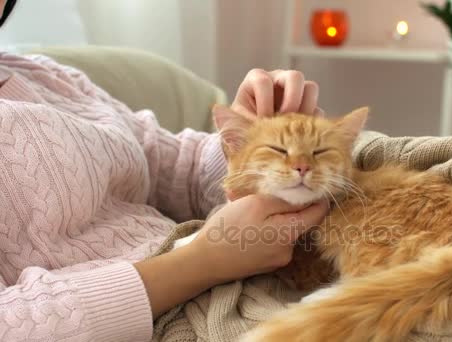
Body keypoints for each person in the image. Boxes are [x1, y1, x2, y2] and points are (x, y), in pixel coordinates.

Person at [0, 0, 329, 341]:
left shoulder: (48, 78)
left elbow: (177, 170)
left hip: (252, 277)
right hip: (169, 318)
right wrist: (204, 260)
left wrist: (247, 137)